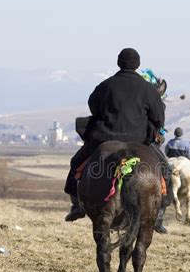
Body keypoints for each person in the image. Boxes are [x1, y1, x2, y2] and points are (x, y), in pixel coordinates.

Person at [64, 48, 171, 223]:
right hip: (140, 141)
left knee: (76, 163)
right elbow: (159, 117)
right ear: (138, 65)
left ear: (118, 63)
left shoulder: (105, 85)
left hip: (104, 138)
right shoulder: (148, 89)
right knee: (165, 169)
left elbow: (93, 106)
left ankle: (76, 204)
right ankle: (159, 212)